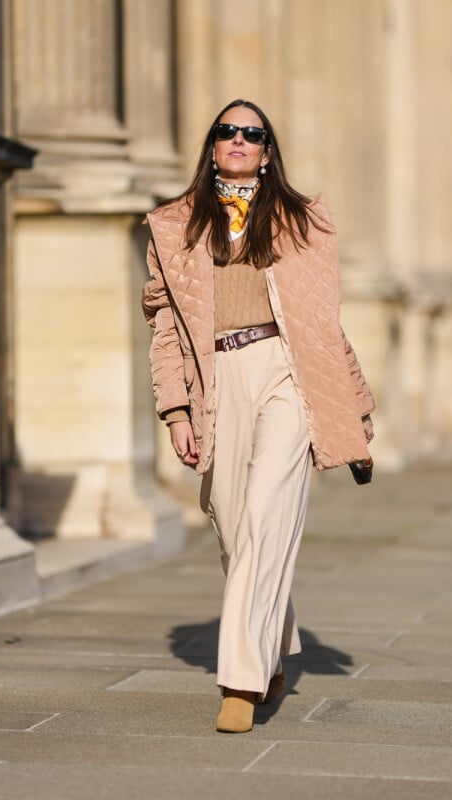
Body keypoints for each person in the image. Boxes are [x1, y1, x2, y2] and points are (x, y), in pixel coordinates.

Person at [141, 99, 376, 733]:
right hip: (215, 380)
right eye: (228, 131)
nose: (240, 140)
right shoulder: (173, 226)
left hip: (286, 370)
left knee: (271, 510)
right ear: (212, 146)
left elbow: (324, 326)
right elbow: (165, 327)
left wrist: (353, 403)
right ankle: (273, 646)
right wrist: (176, 411)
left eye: (253, 133)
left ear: (268, 151)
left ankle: (240, 682)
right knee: (237, 529)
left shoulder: (304, 223)